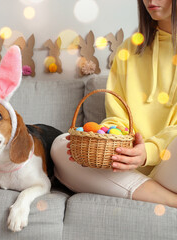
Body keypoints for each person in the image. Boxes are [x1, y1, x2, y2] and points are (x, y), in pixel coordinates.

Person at [51, 0, 177, 208]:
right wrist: (113, 140)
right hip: (125, 168)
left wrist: (149, 151)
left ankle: (137, 190)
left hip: (170, 164)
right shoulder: (129, 48)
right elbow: (118, 116)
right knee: (62, 146)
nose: (151, 1)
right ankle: (168, 200)